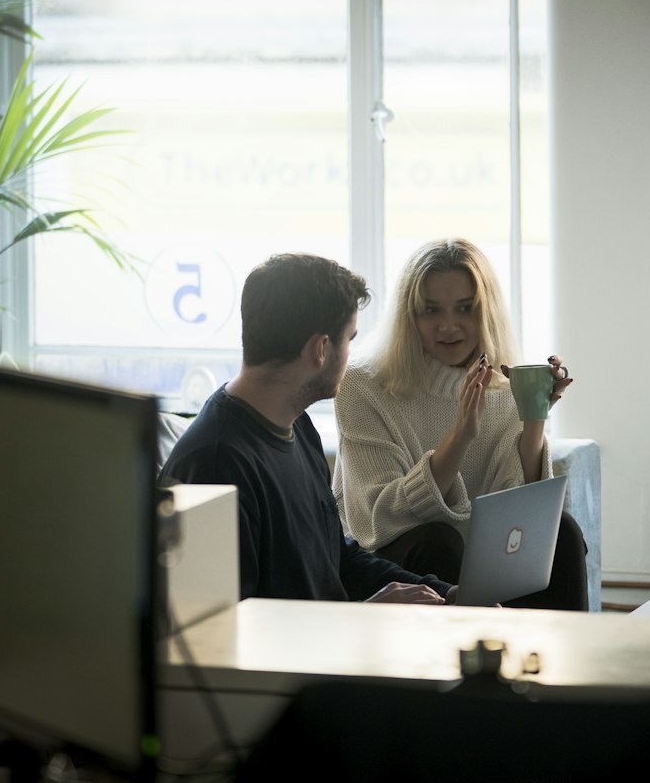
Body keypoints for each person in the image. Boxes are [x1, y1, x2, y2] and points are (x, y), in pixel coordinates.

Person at [159, 253, 455, 605]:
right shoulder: (216, 465)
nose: (350, 354)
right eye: (349, 339)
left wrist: (448, 594)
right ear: (320, 349)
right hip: (299, 659)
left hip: (330, 645)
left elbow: (337, 560)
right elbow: (231, 637)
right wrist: (367, 618)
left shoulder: (297, 424)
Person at [332, 238, 589, 610]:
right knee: (437, 540)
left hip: (482, 562)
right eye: (431, 310)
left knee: (561, 533)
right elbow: (378, 518)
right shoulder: (362, 384)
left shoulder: (500, 386)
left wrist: (534, 418)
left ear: (486, 312)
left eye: (465, 309)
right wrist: (461, 436)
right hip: (395, 563)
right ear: (409, 316)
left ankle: (559, 664)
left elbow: (520, 512)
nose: (448, 326)